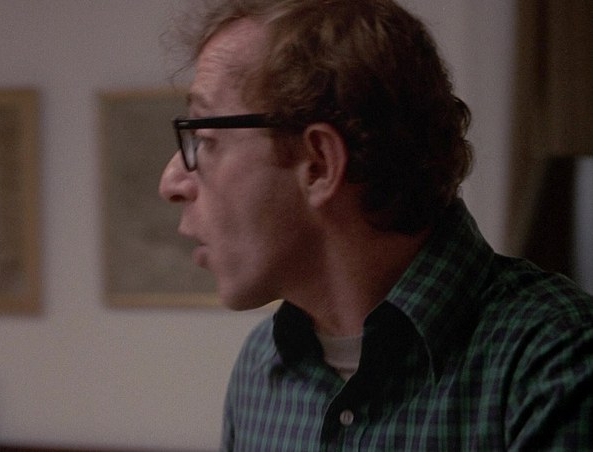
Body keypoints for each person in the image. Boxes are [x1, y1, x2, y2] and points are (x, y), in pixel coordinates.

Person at [157, 0, 593, 450]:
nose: (170, 182)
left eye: (204, 138)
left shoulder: (557, 361)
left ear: (319, 164)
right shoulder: (260, 369)